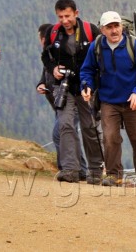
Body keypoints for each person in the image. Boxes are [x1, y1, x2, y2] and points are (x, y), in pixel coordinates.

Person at [80, 11, 136, 188]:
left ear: (122, 26)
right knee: (110, 137)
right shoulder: (96, 47)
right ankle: (114, 174)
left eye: (117, 26)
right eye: (110, 27)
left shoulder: (134, 45)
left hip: (134, 101)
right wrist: (87, 86)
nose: (114, 30)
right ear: (102, 30)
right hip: (109, 101)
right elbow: (87, 71)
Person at [41, 0, 103, 184]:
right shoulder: (52, 32)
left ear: (76, 13)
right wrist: (53, 69)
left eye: (67, 16)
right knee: (65, 124)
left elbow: (103, 55)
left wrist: (95, 83)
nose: (64, 20)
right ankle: (70, 170)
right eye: (60, 16)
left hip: (87, 87)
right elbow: (46, 55)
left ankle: (95, 170)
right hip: (64, 86)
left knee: (89, 127)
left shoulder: (90, 31)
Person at [35, 23, 88, 179]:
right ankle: (80, 169)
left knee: (61, 134)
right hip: (59, 102)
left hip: (71, 98)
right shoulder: (50, 56)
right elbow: (46, 73)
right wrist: (41, 84)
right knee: (68, 133)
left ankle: (69, 168)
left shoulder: (60, 53)